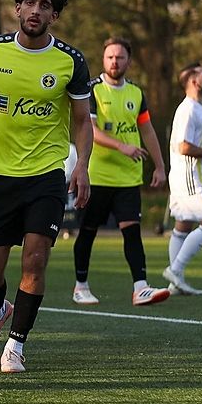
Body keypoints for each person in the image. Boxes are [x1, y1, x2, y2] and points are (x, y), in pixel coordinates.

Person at [0, 0, 93, 374]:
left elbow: (82, 120)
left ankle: (15, 345)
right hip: (0, 175)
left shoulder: (70, 61)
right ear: (17, 8)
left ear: (54, 15)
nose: (36, 10)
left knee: (35, 259)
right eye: (29, 3)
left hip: (46, 174)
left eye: (45, 5)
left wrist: (82, 164)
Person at [71, 37, 169, 306]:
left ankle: (140, 288)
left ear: (129, 61)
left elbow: (147, 131)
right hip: (97, 176)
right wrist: (121, 146)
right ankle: (81, 286)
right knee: (88, 231)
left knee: (132, 231)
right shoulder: (92, 89)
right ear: (104, 60)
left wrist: (160, 167)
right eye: (110, 57)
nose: (114, 61)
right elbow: (90, 129)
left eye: (120, 57)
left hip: (128, 178)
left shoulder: (136, 93)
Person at [162, 62, 202, 295]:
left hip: (189, 177)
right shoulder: (188, 109)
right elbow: (183, 147)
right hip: (188, 178)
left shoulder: (198, 108)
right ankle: (175, 270)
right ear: (193, 81)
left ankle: (175, 283)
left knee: (183, 226)